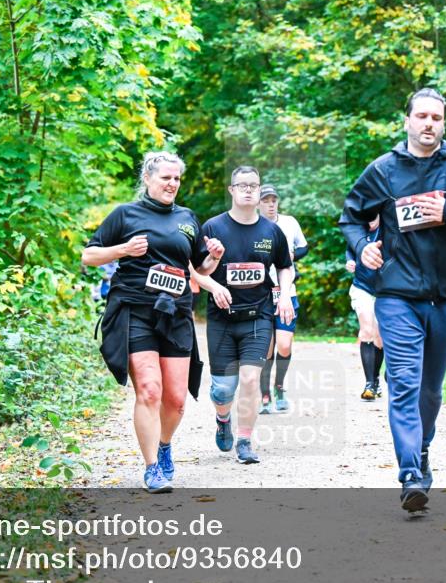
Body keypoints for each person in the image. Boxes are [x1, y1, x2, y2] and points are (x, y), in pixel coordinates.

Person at [339, 88, 446, 511]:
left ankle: (422, 448)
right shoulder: (383, 170)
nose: (429, 123)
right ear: (408, 121)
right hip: (397, 297)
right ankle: (410, 472)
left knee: (430, 390)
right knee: (405, 386)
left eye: (436, 117)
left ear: (443, 123)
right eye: (422, 116)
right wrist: (362, 248)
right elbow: (351, 216)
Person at [83, 151, 225, 493]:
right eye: (165, 178)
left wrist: (213, 260)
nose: (172, 184)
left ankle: (164, 445)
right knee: (149, 389)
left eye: (177, 179)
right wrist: (123, 250)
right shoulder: (125, 215)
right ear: (148, 179)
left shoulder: (188, 218)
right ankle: (151, 469)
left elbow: (198, 270)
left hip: (175, 313)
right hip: (135, 310)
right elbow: (89, 256)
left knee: (175, 399)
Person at [191, 167, 295, 464]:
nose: (249, 190)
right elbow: (197, 272)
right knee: (223, 389)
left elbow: (285, 266)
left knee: (250, 379)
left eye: (254, 186)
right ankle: (223, 419)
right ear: (232, 190)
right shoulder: (212, 227)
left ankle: (245, 440)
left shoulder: (271, 231)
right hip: (222, 319)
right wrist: (213, 272)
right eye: (242, 185)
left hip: (258, 315)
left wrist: (284, 294)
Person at [257, 184, 309, 414]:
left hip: (287, 292)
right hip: (261, 294)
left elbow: (304, 247)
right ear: (258, 203)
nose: (270, 204)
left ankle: (279, 387)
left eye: (273, 200)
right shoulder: (253, 225)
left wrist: (292, 256)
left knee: (285, 345)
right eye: (266, 200)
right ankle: (265, 394)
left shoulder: (289, 222)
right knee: (266, 350)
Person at [345, 215, 383, 401]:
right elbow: (350, 253)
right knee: (366, 331)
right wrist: (350, 262)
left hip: (385, 290)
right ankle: (369, 384)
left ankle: (375, 379)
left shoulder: (388, 231)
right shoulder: (357, 233)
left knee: (380, 337)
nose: (370, 218)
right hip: (362, 288)